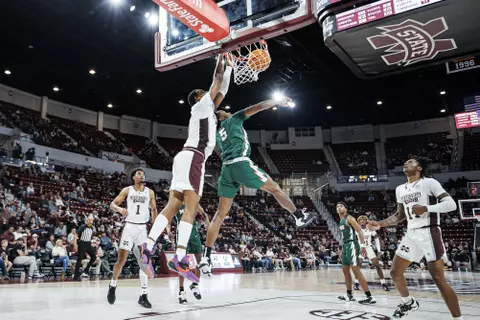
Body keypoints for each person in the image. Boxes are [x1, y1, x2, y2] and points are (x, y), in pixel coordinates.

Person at [138, 54, 232, 282]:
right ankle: (178, 256)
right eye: (205, 92)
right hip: (194, 158)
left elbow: (223, 89)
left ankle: (148, 247)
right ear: (199, 97)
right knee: (191, 206)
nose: (210, 94)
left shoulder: (206, 109)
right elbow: (217, 81)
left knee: (173, 205)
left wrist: (229, 67)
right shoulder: (202, 105)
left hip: (184, 157)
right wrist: (221, 59)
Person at [199, 98, 315, 275]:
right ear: (223, 116)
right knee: (275, 188)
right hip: (240, 163)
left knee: (219, 215)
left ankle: (206, 256)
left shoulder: (217, 134)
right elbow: (259, 106)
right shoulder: (234, 119)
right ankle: (298, 216)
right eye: (224, 111)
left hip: (226, 169)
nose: (228, 111)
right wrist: (277, 100)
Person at [368, 157, 462, 319]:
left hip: (429, 232)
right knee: (395, 272)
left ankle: (458, 318)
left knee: (438, 278)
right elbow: (399, 215)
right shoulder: (400, 189)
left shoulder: (429, 183)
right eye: (405, 162)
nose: (406, 163)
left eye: (410, 162)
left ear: (419, 168)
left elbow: (451, 204)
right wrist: (380, 224)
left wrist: (427, 208)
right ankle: (408, 302)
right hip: (411, 234)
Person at [108, 168, 158, 308]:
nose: (142, 175)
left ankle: (143, 295)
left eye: (143, 173)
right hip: (129, 228)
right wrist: (120, 209)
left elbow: (154, 210)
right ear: (134, 177)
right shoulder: (127, 190)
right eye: (139, 173)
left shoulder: (150, 192)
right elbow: (112, 204)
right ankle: (113, 285)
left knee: (144, 261)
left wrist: (155, 227)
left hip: (142, 229)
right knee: (121, 260)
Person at [336, 202, 375, 305]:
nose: (338, 208)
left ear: (346, 208)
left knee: (356, 270)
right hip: (345, 246)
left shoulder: (350, 218)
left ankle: (369, 296)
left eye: (341, 206)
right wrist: (342, 249)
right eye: (337, 207)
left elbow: (359, 231)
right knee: (345, 270)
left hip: (352, 245)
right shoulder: (341, 220)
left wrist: (362, 246)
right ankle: (349, 295)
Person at [171, 204, 210, 304]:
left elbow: (204, 214)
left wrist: (208, 225)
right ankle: (181, 292)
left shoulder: (194, 202)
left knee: (200, 262)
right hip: (182, 234)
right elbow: (168, 216)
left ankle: (195, 284)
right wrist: (168, 229)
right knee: (182, 263)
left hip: (194, 234)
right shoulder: (177, 203)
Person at [353, 215, 389, 292]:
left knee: (377, 266)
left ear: (366, 221)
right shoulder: (356, 229)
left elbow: (376, 239)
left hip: (369, 248)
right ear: (358, 222)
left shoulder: (370, 229)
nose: (362, 221)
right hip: (360, 248)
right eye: (360, 220)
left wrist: (379, 251)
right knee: (358, 266)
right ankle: (356, 283)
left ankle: (383, 283)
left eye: (364, 220)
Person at [73, 216, 96, 281]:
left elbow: (89, 236)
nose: (90, 221)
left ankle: (86, 269)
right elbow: (76, 235)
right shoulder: (82, 227)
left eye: (92, 220)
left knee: (94, 257)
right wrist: (75, 244)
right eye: (89, 220)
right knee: (79, 260)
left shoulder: (92, 228)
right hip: (82, 244)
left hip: (88, 244)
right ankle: (76, 276)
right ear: (87, 220)